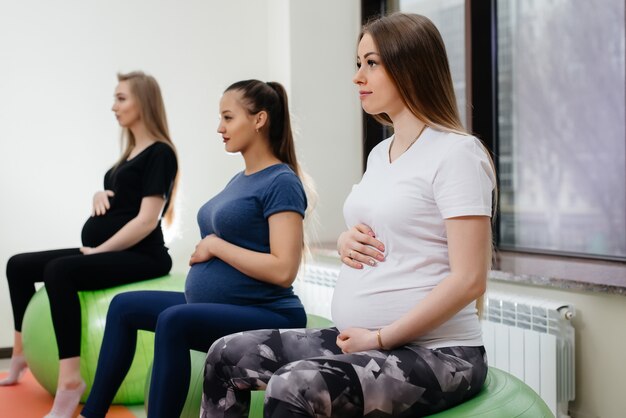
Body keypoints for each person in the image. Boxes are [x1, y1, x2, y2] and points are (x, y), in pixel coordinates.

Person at [201, 12, 497, 418]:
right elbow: (394, 227)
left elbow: (469, 279)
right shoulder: (381, 154)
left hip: (441, 354)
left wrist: (379, 336)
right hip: (363, 338)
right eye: (358, 64)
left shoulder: (457, 154)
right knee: (225, 355)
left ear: (410, 67)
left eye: (371, 63)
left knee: (293, 386)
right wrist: (344, 241)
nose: (358, 76)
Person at [78, 79, 309, 418]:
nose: (219, 127)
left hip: (270, 312)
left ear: (259, 120)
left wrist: (215, 245)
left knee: (173, 320)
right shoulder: (240, 179)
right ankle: (90, 414)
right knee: (124, 307)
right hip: (222, 304)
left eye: (228, 118)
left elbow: (283, 269)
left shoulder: (282, 182)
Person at [0, 71, 179, 418]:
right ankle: (20, 353)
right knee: (18, 264)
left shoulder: (161, 153)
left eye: (121, 98)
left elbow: (146, 220)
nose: (114, 106)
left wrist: (100, 251)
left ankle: (70, 381)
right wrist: (100, 193)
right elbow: (124, 199)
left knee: (58, 271)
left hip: (144, 255)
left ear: (143, 102)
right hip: (115, 248)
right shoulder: (128, 155)